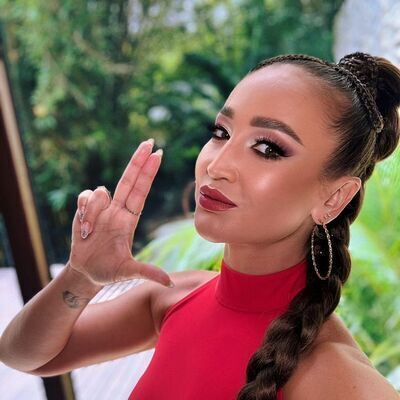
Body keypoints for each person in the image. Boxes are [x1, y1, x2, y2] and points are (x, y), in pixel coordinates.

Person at [0, 51, 399, 400]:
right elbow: (25, 355)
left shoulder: (336, 375)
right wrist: (81, 276)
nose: (217, 165)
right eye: (221, 132)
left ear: (334, 198)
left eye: (267, 148)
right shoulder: (176, 297)